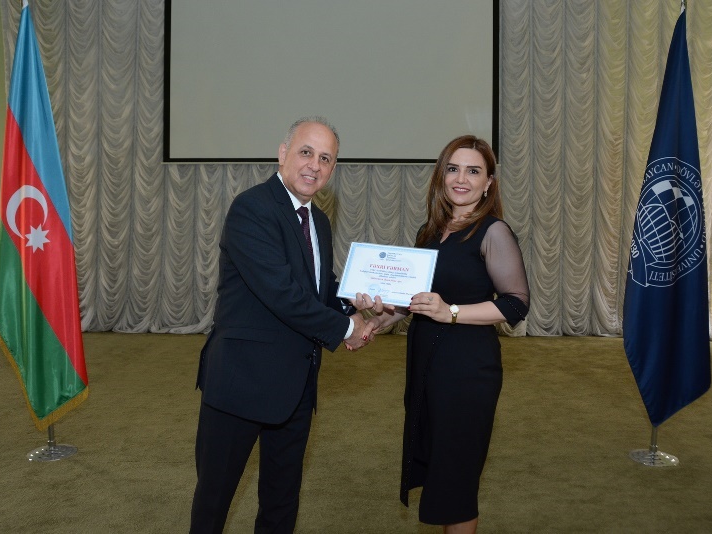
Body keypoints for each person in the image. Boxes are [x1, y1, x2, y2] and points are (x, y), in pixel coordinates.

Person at [190, 116, 376, 533]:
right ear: (283, 153)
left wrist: (355, 303)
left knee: (281, 504)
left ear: (333, 168)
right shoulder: (252, 208)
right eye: (306, 152)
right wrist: (347, 329)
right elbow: (282, 293)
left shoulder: (318, 220)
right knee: (213, 505)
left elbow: (318, 287)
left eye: (325, 158)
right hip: (240, 384)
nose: (314, 165)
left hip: (296, 386)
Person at [358, 135, 530, 533]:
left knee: (456, 484)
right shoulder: (431, 231)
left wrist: (450, 312)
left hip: (467, 371)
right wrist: (379, 320)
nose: (461, 179)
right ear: (441, 176)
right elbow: (417, 300)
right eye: (453, 169)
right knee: (439, 469)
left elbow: (516, 304)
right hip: (426, 366)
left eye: (473, 171)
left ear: (488, 183)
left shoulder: (493, 232)